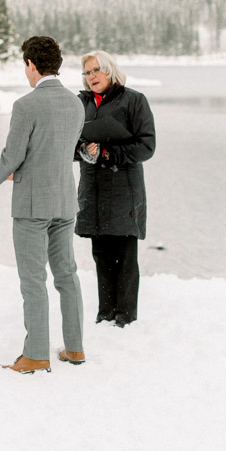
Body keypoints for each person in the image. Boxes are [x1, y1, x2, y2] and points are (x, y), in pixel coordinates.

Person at [0, 35, 85, 373]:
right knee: (67, 275)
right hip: (65, 201)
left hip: (31, 206)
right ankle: (74, 349)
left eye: (24, 65)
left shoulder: (26, 105)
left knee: (33, 280)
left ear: (30, 64)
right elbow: (56, 150)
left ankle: (37, 354)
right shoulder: (75, 103)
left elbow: (13, 156)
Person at [75, 50, 156, 327]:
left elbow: (147, 146)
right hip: (93, 187)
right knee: (101, 253)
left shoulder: (134, 100)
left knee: (124, 253)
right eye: (87, 73)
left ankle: (124, 317)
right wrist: (84, 150)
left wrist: (108, 153)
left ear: (109, 70)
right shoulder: (80, 103)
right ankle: (105, 313)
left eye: (96, 70)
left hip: (124, 189)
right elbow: (70, 144)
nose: (91, 76)